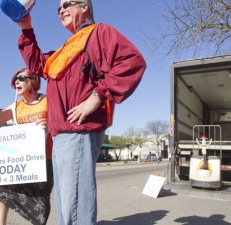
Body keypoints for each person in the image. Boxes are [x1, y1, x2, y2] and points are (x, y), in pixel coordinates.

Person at [14, 1, 146, 224]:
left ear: (84, 6)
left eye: (67, 4)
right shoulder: (66, 49)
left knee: (74, 207)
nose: (61, 10)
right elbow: (36, 63)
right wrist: (26, 27)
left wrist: (97, 96)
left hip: (77, 131)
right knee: (68, 205)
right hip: (61, 135)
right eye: (58, 8)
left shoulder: (99, 33)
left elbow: (132, 61)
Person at [0, 68, 53, 225]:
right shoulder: (16, 106)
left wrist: (50, 126)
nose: (16, 81)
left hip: (45, 160)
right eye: (15, 80)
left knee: (41, 205)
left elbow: (62, 124)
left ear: (33, 81)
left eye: (21, 78)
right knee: (0, 189)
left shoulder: (48, 101)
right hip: (21, 160)